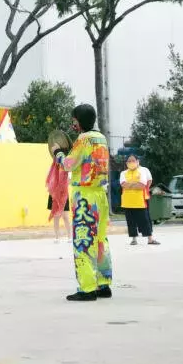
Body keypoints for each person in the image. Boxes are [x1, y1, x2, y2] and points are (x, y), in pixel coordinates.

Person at [51, 104, 113, 301]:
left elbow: (69, 164)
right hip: (100, 195)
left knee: (84, 241)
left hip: (84, 196)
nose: (73, 124)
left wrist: (58, 153)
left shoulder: (84, 139)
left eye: (74, 120)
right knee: (101, 240)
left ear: (79, 120)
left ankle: (87, 288)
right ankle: (104, 284)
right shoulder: (101, 138)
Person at [120, 155, 160, 246]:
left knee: (145, 220)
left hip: (140, 200)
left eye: (133, 160)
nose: (131, 163)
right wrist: (135, 184)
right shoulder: (123, 173)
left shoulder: (143, 170)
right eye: (129, 161)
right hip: (127, 201)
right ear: (126, 163)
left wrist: (130, 185)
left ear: (138, 161)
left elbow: (143, 184)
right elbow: (123, 184)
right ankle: (134, 239)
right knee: (130, 221)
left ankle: (150, 239)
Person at [46, 158, 71, 243]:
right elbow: (48, 180)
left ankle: (70, 237)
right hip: (54, 193)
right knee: (56, 216)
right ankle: (57, 237)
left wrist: (62, 184)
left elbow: (70, 180)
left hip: (63, 193)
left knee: (65, 216)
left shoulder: (67, 167)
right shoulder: (52, 168)